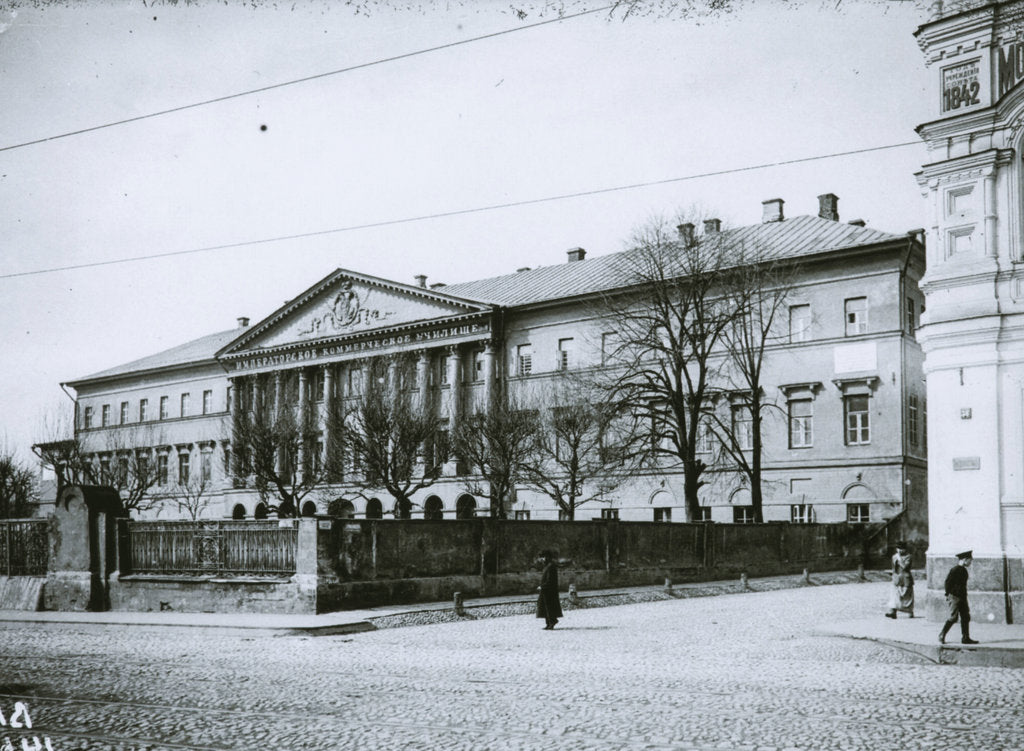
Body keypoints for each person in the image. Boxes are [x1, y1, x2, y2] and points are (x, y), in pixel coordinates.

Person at [939, 550, 979, 645]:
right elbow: (947, 583)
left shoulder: (963, 570)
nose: (970, 562)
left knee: (965, 617)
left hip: (962, 597)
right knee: (953, 617)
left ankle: (965, 638)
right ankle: (942, 634)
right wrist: (949, 595)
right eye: (970, 560)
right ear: (965, 560)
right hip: (955, 597)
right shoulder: (955, 570)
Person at [884, 541, 914, 619]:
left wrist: (899, 559)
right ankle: (893, 612)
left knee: (907, 596)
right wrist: (893, 575)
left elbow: (905, 567)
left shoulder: (909, 557)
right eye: (898, 549)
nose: (899, 551)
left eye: (901, 549)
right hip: (897, 579)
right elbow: (893, 568)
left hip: (906, 578)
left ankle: (910, 612)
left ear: (905, 549)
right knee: (895, 595)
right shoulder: (894, 557)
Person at [535, 549, 563, 630]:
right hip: (546, 591)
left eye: (543, 557)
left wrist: (543, 586)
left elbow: (550, 580)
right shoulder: (547, 566)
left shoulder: (551, 566)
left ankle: (552, 622)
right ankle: (548, 623)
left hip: (549, 591)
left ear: (547, 557)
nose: (541, 559)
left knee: (549, 607)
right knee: (545, 607)